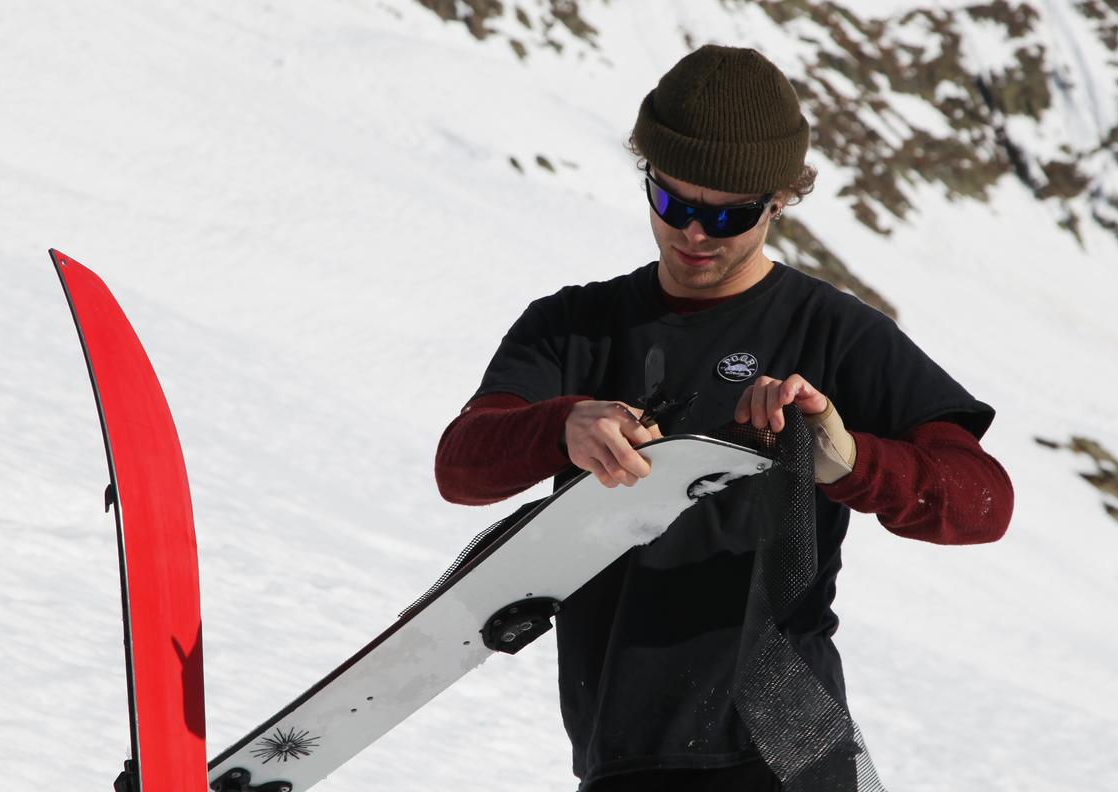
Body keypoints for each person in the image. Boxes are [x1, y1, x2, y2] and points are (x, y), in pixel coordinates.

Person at [433, 45, 1013, 792]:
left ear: (780, 202)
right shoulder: (573, 327)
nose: (694, 234)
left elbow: (982, 501)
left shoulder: (834, 333)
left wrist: (851, 463)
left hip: (790, 744)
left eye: (728, 214)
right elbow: (461, 466)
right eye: (672, 203)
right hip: (623, 747)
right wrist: (562, 425)